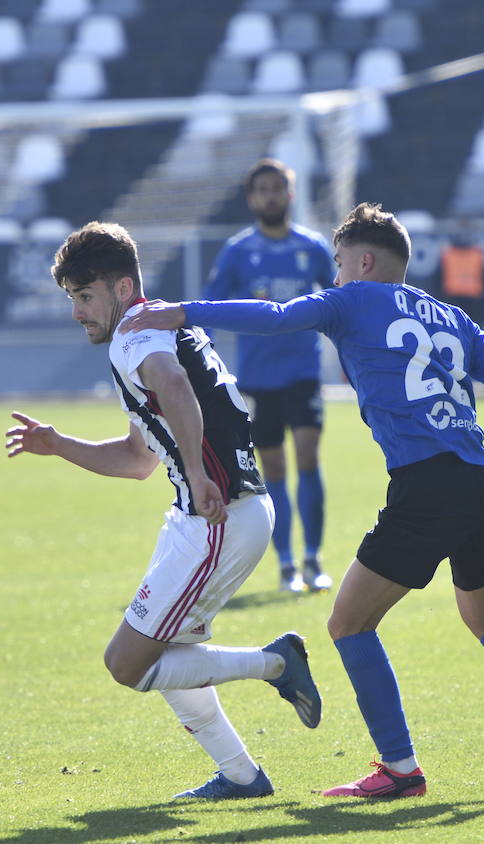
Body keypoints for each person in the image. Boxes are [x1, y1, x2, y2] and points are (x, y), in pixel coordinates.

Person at [122, 203, 484, 797]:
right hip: (476, 478)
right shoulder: (455, 319)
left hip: (423, 481)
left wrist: (182, 312)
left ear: (362, 262)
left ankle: (400, 770)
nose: (334, 278)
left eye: (338, 264)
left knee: (349, 622)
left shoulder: (352, 300)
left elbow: (276, 317)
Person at [5, 221, 322, 801]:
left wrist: (200, 476)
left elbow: (174, 386)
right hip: (207, 516)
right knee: (169, 651)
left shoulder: (135, 333)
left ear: (123, 288)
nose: (77, 312)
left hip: (218, 517)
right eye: (71, 298)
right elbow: (136, 458)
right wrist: (59, 445)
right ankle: (241, 776)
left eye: (84, 296)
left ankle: (275, 663)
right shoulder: (158, 328)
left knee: (127, 663)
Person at [204, 159, 338, 593]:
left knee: (309, 457)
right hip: (257, 379)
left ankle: (314, 560)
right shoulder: (238, 251)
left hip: (302, 372)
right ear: (251, 198)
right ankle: (285, 566)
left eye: (278, 188)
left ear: (291, 193)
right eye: (262, 189)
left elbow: (340, 297)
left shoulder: (314, 247)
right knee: (274, 468)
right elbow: (210, 306)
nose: (271, 196)